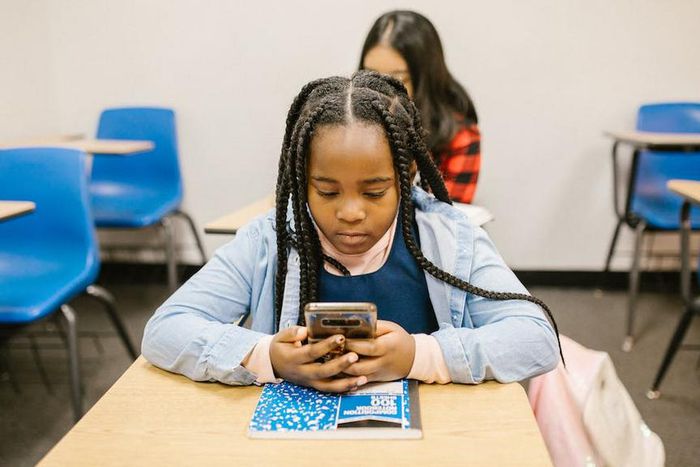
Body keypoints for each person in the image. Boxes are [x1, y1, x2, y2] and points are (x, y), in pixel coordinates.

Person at [142, 71, 560, 393]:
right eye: (326, 191)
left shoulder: (450, 239)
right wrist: (264, 355)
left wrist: (422, 355)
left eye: (375, 192)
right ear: (302, 179)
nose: (351, 213)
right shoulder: (270, 240)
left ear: (405, 177)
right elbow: (165, 329)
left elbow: (535, 338)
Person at [359, 10, 481, 204]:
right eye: (371, 75)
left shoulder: (459, 135)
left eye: (397, 79)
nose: (380, 91)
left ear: (424, 78)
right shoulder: (348, 122)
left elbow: (449, 216)